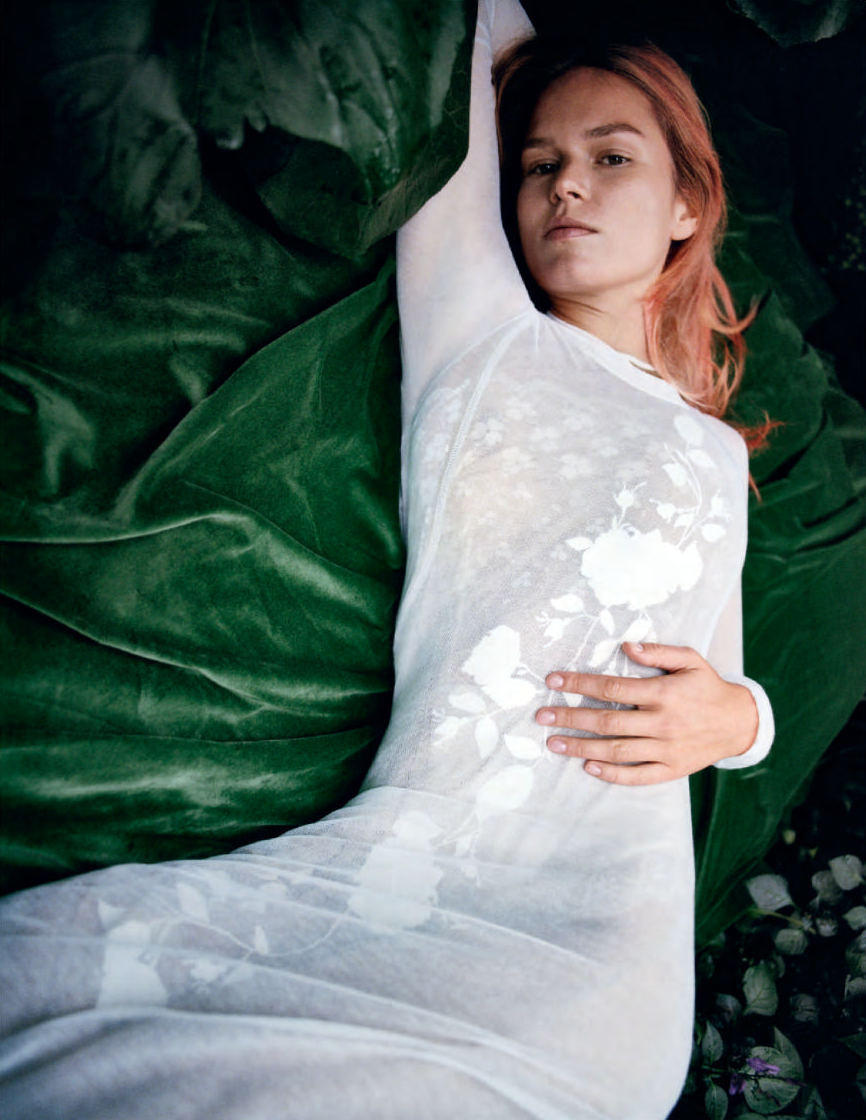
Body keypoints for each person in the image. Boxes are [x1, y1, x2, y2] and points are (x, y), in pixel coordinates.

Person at [0, 0, 772, 1116]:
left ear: (687, 204)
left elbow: (721, 683)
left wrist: (741, 722)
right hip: (414, 859)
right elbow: (466, 31)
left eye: (612, 157)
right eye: (539, 164)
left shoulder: (711, 448)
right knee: (69, 987)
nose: (566, 184)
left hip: (606, 941)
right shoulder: (483, 331)